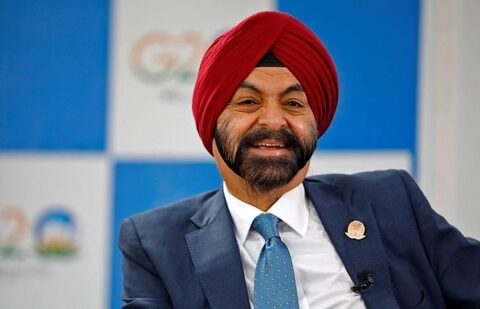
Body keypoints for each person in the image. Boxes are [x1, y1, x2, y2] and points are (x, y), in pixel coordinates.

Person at [119, 11, 480, 309]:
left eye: (294, 104)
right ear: (211, 120)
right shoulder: (155, 242)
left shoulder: (390, 200)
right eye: (248, 102)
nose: (274, 121)